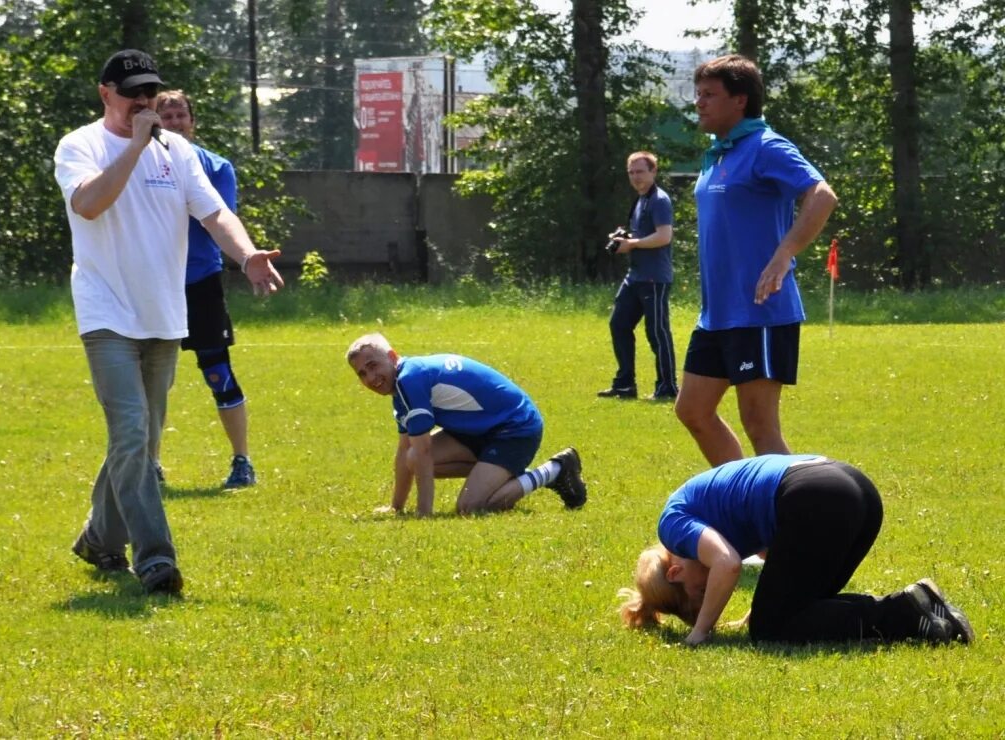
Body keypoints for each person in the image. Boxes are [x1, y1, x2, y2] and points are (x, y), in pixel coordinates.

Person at [54, 49, 284, 594]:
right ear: (105, 91)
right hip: (106, 311)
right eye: (133, 91)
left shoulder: (176, 151)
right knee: (131, 431)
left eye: (150, 91)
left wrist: (246, 255)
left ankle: (98, 538)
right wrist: (134, 146)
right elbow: (89, 205)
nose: (144, 101)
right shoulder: (80, 145)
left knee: (141, 440)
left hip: (163, 315)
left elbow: (215, 213)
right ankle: (156, 559)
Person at [619, 454, 975, 647]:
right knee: (800, 611)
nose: (709, 590)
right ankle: (919, 603)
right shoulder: (701, 516)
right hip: (854, 489)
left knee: (771, 629)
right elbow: (777, 552)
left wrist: (699, 634)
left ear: (676, 572)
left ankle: (904, 612)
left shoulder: (673, 523)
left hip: (818, 497)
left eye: (700, 590)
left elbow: (726, 565)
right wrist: (764, 604)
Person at [675, 54, 839, 466]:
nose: (700, 102)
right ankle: (741, 499)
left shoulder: (766, 147)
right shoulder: (719, 155)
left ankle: (798, 515)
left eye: (710, 94)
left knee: (761, 426)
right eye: (698, 94)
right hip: (716, 314)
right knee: (692, 411)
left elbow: (822, 195)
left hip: (761, 311)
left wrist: (785, 254)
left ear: (740, 100)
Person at [346, 333, 587, 516]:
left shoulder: (409, 380)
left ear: (392, 356)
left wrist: (423, 514)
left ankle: (555, 470)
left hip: (515, 428)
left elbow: (424, 450)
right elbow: (405, 452)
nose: (371, 378)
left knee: (471, 507)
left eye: (373, 365)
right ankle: (497, 475)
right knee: (411, 458)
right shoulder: (402, 386)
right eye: (362, 374)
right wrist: (395, 508)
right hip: (477, 429)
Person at [154, 90, 255, 489]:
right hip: (154, 283)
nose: (175, 121)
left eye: (181, 115)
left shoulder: (215, 167)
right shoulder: (135, 164)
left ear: (192, 122)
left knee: (218, 374)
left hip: (200, 282)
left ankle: (242, 462)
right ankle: (150, 465)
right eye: (167, 115)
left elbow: (216, 219)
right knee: (153, 379)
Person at [599, 151, 679, 402]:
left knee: (657, 333)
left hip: (654, 278)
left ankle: (667, 387)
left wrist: (631, 244)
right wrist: (621, 238)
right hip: (635, 277)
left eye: (640, 171)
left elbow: (664, 236)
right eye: (631, 172)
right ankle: (624, 385)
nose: (635, 177)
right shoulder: (640, 200)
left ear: (653, 172)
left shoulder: (659, 200)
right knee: (619, 324)